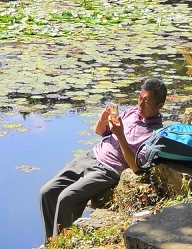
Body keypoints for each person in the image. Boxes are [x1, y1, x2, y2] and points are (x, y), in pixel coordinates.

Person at [38, 78, 166, 241]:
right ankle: (52, 242)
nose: (140, 104)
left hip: (109, 169)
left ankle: (64, 244)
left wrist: (120, 135)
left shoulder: (155, 134)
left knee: (66, 199)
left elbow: (136, 167)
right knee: (47, 192)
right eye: (140, 98)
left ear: (159, 106)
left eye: (146, 101)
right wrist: (103, 119)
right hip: (91, 156)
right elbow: (100, 131)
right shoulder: (131, 112)